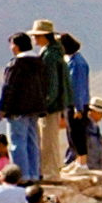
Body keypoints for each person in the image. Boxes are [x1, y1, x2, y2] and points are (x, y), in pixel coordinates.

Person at [0, 33, 41, 182]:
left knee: (17, 142)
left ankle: (21, 176)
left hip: (17, 109)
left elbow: (9, 87)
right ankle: (34, 174)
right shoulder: (40, 62)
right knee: (32, 141)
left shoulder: (16, 64)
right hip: (35, 108)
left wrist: (3, 108)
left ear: (16, 46)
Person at [31, 24, 65, 186]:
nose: (35, 39)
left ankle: (50, 173)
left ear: (45, 36)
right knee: (48, 138)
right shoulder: (52, 52)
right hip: (54, 104)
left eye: (37, 36)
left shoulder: (50, 55)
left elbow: (51, 83)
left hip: (50, 106)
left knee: (48, 139)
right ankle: (50, 170)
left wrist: (44, 104)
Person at [58, 33, 90, 169]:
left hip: (77, 105)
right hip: (70, 103)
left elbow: (78, 87)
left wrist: (78, 108)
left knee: (78, 134)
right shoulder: (71, 60)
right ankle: (76, 161)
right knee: (71, 134)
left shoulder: (78, 63)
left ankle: (82, 163)